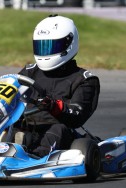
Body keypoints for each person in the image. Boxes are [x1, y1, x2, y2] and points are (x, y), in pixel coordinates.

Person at [18, 15, 100, 158]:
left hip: (62, 134)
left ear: (69, 44)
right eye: (41, 46)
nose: (45, 51)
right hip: (28, 128)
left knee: (58, 130)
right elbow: (11, 92)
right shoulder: (29, 72)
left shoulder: (84, 80)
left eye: (51, 46)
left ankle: (35, 159)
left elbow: (77, 116)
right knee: (10, 127)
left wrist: (54, 106)